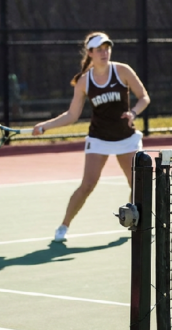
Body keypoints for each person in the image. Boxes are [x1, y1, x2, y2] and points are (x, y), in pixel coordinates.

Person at [32, 32, 151, 242]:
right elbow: (72, 115)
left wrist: (133, 112)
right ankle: (63, 226)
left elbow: (144, 97)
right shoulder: (84, 82)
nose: (104, 52)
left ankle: (135, 222)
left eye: (107, 48)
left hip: (126, 138)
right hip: (99, 139)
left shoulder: (122, 71)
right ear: (90, 53)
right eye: (99, 49)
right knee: (87, 184)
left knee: (138, 185)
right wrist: (45, 126)